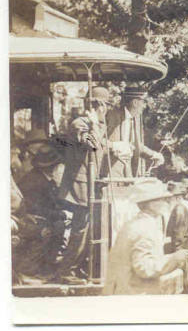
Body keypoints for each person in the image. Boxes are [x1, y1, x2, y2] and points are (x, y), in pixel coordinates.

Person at [55, 86, 111, 284]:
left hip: (90, 183)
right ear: (99, 105)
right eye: (106, 106)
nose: (107, 110)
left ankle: (76, 267)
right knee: (80, 229)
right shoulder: (80, 124)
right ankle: (66, 270)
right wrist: (94, 124)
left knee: (86, 228)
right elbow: (92, 145)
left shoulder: (96, 124)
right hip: (79, 185)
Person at [104, 179, 188, 295]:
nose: (167, 202)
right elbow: (145, 268)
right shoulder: (145, 228)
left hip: (124, 290)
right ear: (151, 203)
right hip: (136, 294)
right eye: (163, 199)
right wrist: (174, 258)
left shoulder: (134, 223)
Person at [16, 146, 68, 278]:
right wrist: (59, 214)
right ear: (49, 167)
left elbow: (52, 201)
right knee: (58, 226)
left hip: (40, 215)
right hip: (28, 217)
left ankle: (48, 264)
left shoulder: (44, 178)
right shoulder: (34, 181)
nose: (57, 167)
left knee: (60, 223)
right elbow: (33, 207)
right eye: (55, 165)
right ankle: (44, 267)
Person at [105, 87, 164, 178]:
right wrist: (114, 145)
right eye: (144, 102)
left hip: (127, 172)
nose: (145, 106)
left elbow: (137, 145)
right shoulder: (112, 116)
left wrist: (153, 155)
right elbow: (97, 140)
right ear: (135, 102)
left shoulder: (135, 119)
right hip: (110, 171)